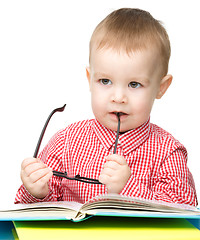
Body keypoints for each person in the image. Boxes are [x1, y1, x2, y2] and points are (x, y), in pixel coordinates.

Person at [15, 8, 198, 206]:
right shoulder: (64, 142)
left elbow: (184, 210)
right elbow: (30, 211)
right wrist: (36, 192)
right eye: (105, 81)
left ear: (161, 88)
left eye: (134, 84)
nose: (118, 97)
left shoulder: (168, 151)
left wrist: (128, 187)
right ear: (89, 79)